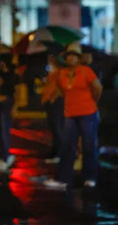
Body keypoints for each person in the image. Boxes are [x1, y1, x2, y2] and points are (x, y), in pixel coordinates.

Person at [41, 43, 102, 190]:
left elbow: (97, 88)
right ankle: (63, 179)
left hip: (88, 113)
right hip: (70, 114)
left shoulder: (86, 71)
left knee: (88, 146)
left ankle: (90, 177)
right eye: (69, 56)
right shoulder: (62, 73)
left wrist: (92, 102)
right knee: (68, 147)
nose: (71, 58)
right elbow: (62, 90)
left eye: (74, 56)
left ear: (79, 58)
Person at [0, 54, 20, 173]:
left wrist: (15, 107)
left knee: (4, 130)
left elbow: (17, 92)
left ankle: (6, 157)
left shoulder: (13, 76)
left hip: (6, 104)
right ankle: (4, 156)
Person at [41, 53, 65, 164]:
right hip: (50, 101)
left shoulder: (61, 72)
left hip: (56, 102)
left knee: (56, 127)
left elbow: (61, 87)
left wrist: (53, 98)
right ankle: (55, 152)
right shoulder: (53, 71)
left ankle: (59, 153)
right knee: (53, 127)